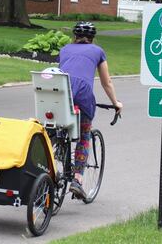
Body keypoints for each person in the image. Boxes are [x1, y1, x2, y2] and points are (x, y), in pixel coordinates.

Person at [58, 21, 122, 199]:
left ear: (74, 37)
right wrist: (116, 102)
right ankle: (77, 179)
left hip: (60, 92)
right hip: (82, 95)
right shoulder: (98, 51)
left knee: (55, 129)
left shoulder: (64, 50)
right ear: (93, 39)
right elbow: (106, 82)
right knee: (84, 135)